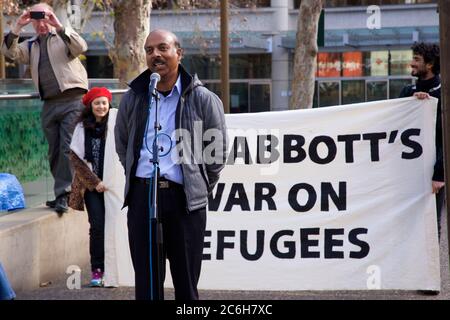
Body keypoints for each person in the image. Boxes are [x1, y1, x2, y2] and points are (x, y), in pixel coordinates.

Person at [115, 29, 227, 300]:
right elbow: (123, 145)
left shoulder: (202, 99)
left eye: (162, 48)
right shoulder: (134, 97)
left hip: (184, 201)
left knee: (186, 284)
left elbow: (216, 154)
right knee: (147, 284)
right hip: (143, 197)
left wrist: (194, 183)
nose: (155, 55)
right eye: (149, 50)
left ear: (179, 53)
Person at [1, 3, 88, 215]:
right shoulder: (31, 45)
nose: (41, 24)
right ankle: (64, 193)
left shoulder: (62, 37)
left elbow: (81, 47)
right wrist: (18, 27)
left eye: (44, 18)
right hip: (49, 103)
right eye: (36, 19)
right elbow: (8, 52)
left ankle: (64, 195)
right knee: (54, 151)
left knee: (68, 147)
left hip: (73, 100)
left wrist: (57, 25)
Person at [69, 87, 134, 287]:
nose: (101, 106)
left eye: (104, 102)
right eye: (97, 103)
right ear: (90, 105)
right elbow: (76, 159)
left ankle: (116, 269)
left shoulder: (115, 125)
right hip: (91, 188)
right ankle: (98, 270)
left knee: (116, 226)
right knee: (97, 227)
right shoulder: (82, 128)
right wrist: (95, 182)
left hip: (113, 186)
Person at [399, 43, 444, 235]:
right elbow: (395, 127)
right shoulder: (407, 93)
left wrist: (439, 174)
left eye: (417, 59)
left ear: (431, 64)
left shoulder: (443, 94)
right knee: (407, 221)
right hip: (407, 171)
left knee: (431, 223)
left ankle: (431, 265)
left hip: (432, 171)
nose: (412, 64)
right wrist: (412, 105)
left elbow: (444, 138)